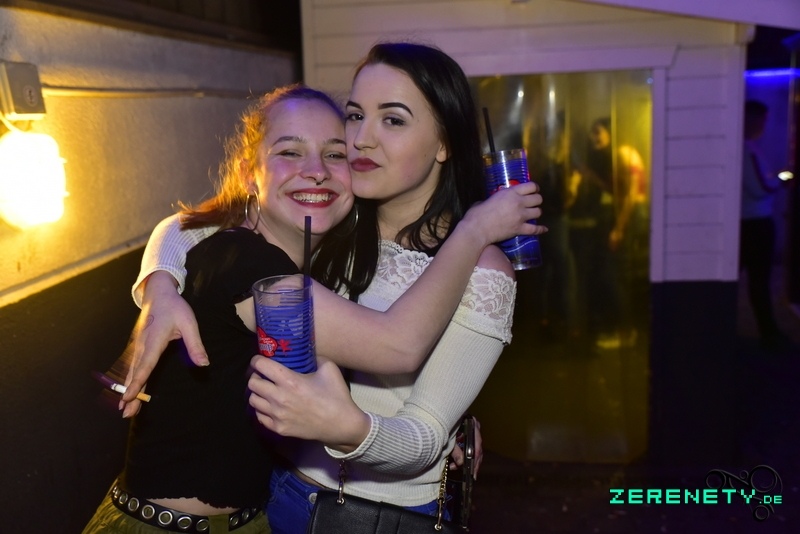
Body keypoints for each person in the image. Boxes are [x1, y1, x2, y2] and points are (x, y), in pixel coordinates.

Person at [121, 42, 543, 533]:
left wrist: (358, 429)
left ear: (444, 143)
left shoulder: (482, 268)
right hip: (273, 497)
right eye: (356, 116)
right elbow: (199, 226)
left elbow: (424, 436)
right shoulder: (333, 228)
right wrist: (160, 283)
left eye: (393, 119)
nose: (362, 138)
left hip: (375, 519)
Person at [569, 117, 644, 349]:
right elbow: (615, 190)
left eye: (598, 132)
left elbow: (630, 195)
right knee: (610, 275)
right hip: (626, 219)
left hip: (628, 220)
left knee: (613, 277)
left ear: (610, 132)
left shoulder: (622, 153)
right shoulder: (619, 155)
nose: (594, 138)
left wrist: (619, 228)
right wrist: (589, 176)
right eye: (592, 133)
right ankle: (621, 329)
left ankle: (625, 332)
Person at [739, 99, 794, 352]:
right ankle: (769, 333)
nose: (763, 125)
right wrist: (781, 180)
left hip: (747, 222)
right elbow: (760, 187)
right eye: (761, 120)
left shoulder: (745, 148)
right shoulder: (748, 150)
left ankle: (767, 331)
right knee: (760, 281)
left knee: (753, 281)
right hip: (756, 223)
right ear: (751, 120)